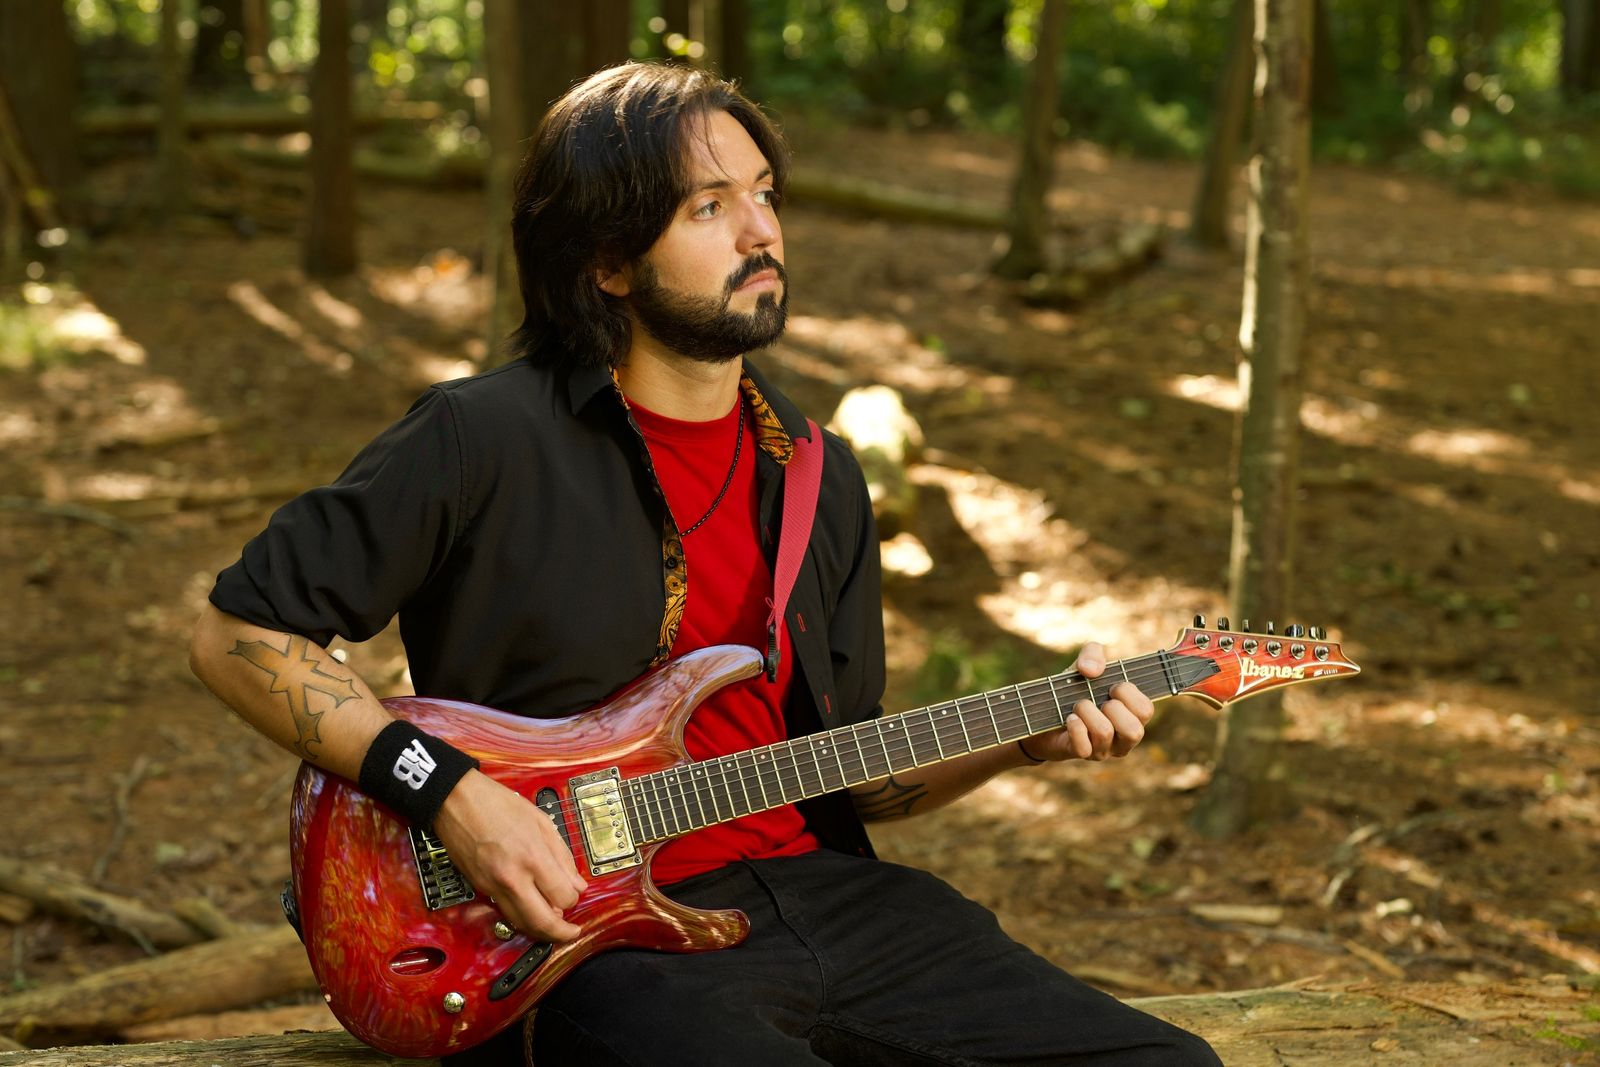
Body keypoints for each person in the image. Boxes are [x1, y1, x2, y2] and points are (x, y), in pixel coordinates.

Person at [189, 61, 1220, 1066]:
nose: (761, 230)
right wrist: (453, 795)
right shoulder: (481, 439)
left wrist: (1021, 740)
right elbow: (239, 634)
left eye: (764, 194)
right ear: (608, 261)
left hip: (826, 901)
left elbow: (860, 779)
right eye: (710, 207)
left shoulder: (820, 475)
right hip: (583, 940)